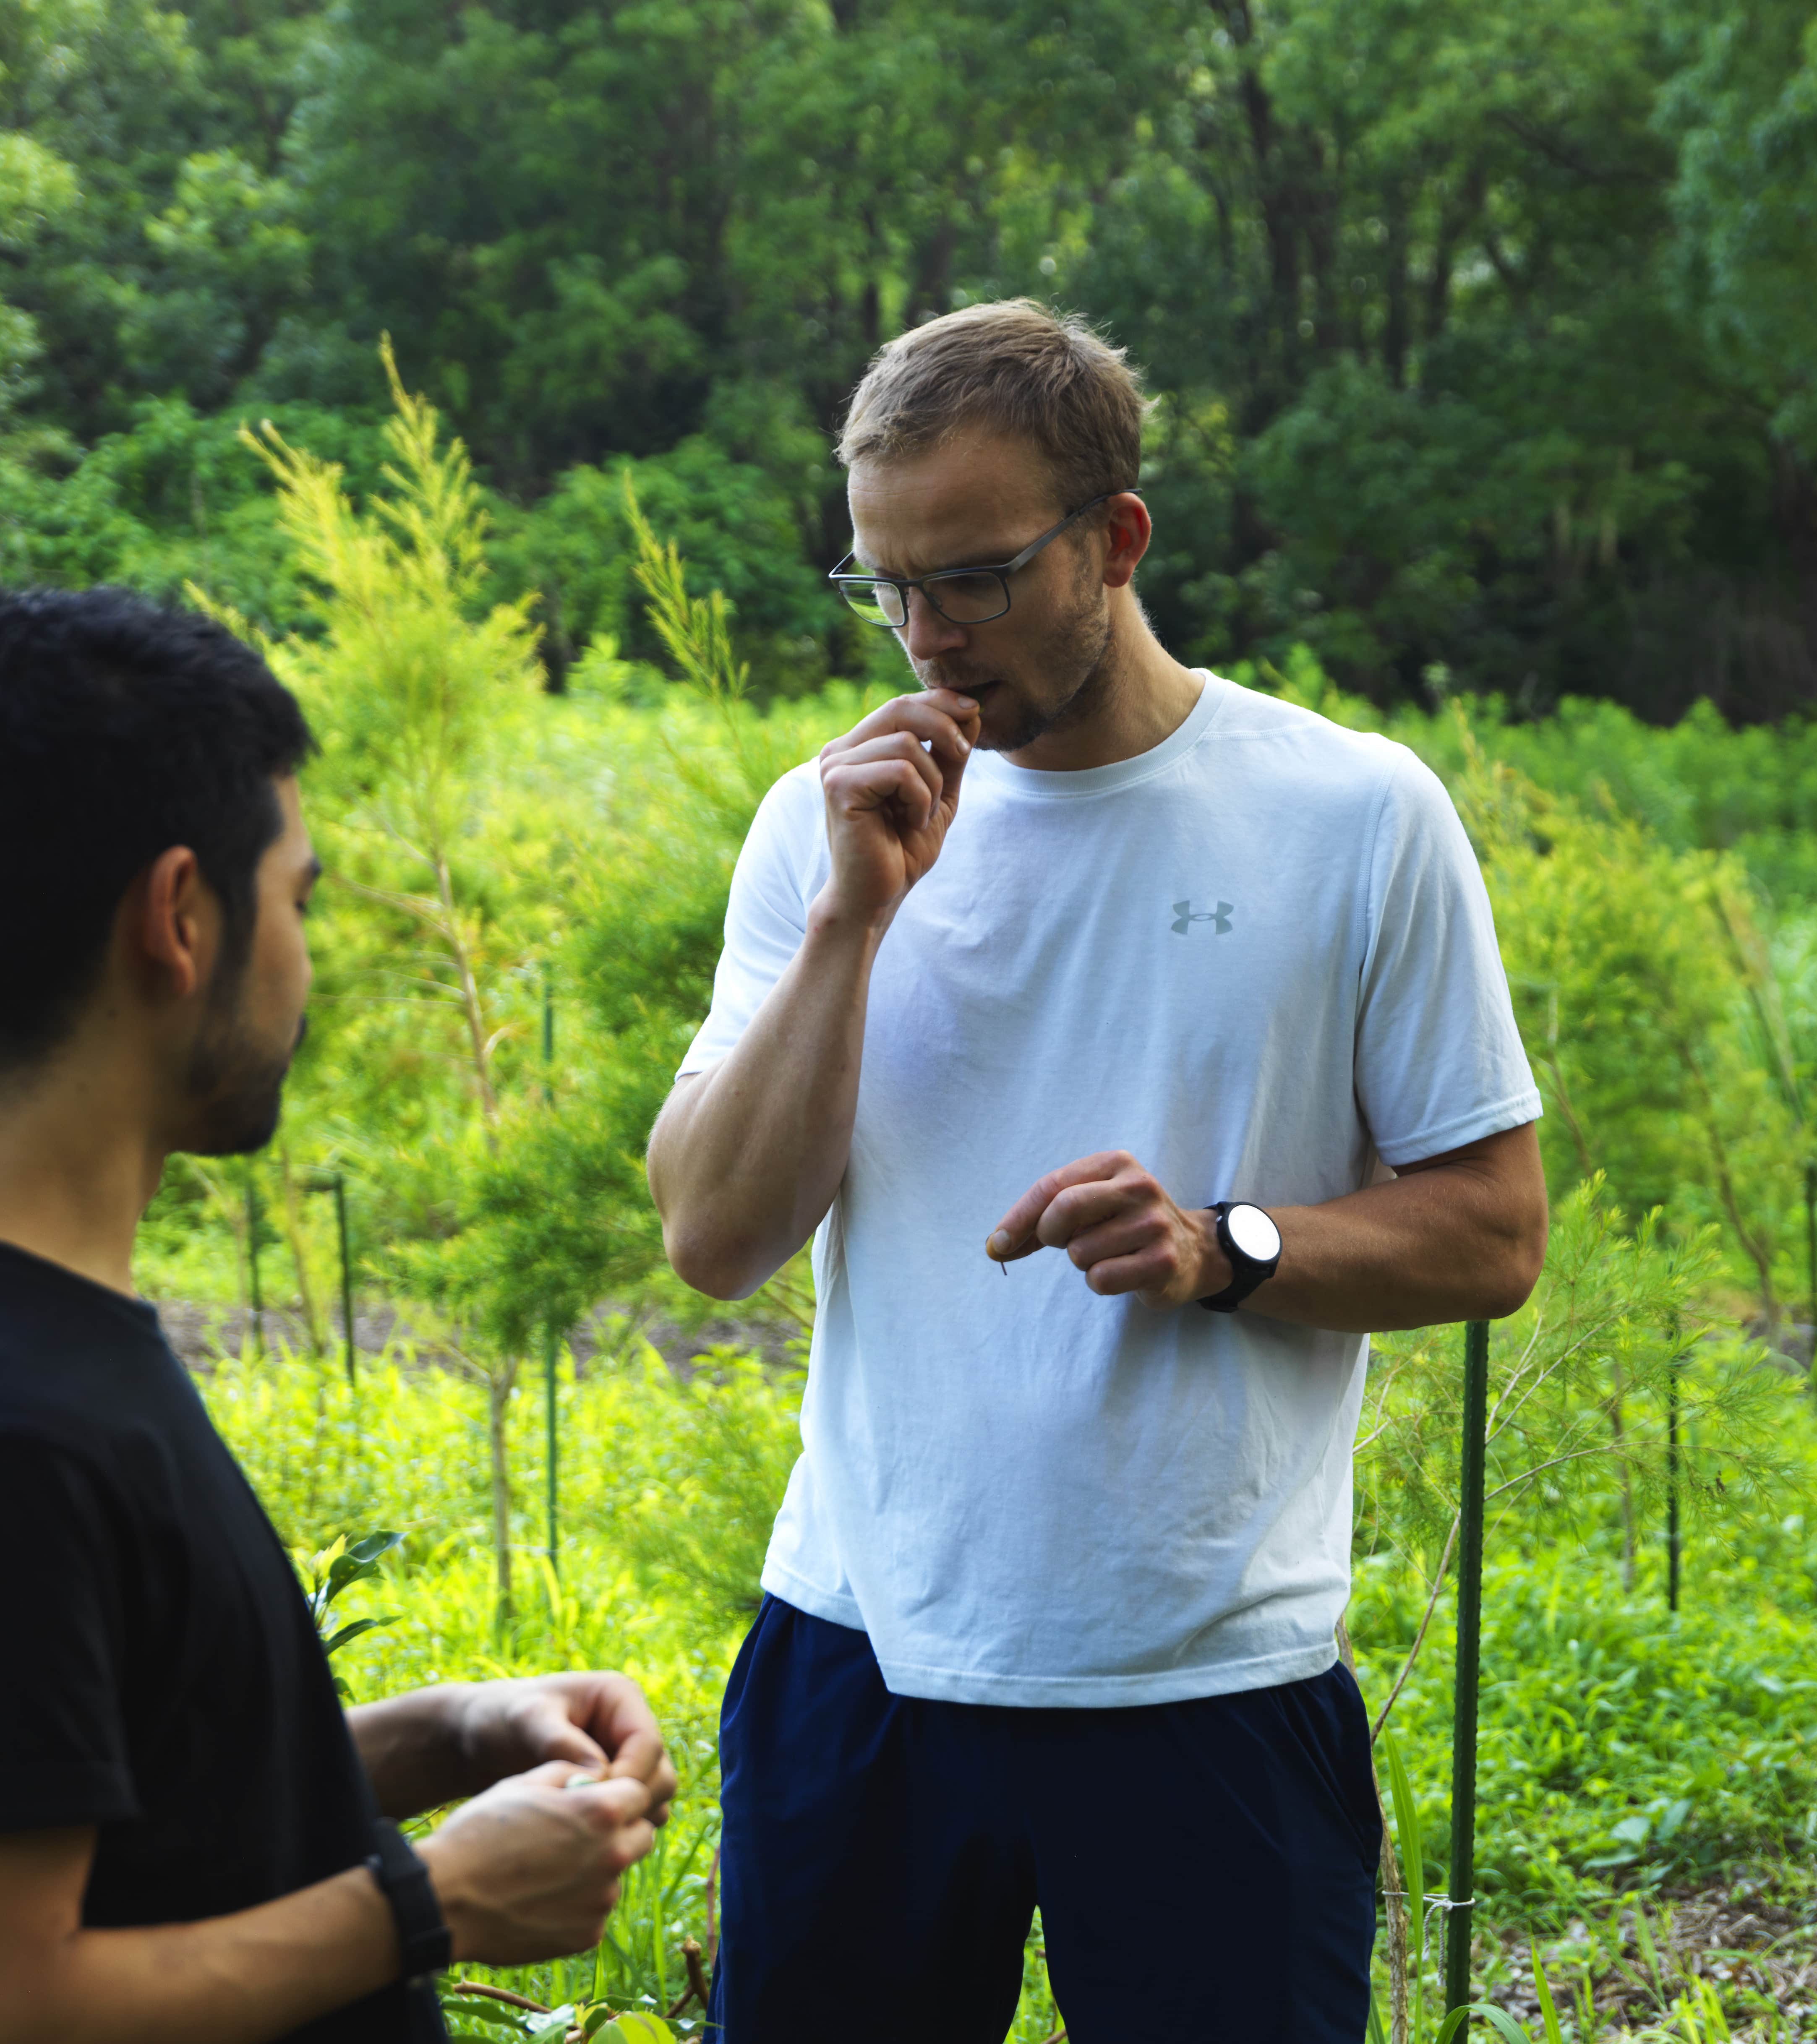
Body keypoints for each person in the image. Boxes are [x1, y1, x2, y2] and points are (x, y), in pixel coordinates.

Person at [647, 298, 1548, 2039]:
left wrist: (1230, 1248)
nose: (926, 633)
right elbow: (713, 1235)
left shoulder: (1352, 817)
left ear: (1115, 540)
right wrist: (852, 918)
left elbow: (1493, 1234)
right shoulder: (820, 826)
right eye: (885, 584)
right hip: (861, 1651)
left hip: (1208, 1678)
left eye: (975, 576)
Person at [0, 587, 680, 2044]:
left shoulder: (66, 1352)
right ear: (179, 917)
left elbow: (134, 1806)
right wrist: (432, 1905)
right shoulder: (32, 1432)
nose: (305, 958)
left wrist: (443, 1734)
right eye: (298, 898)